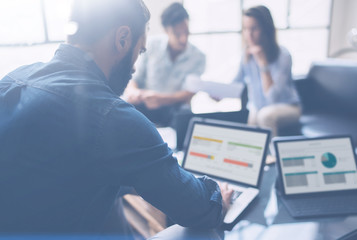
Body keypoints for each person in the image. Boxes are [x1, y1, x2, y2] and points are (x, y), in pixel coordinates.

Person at [0, 0, 232, 237]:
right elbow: (199, 209)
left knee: (109, 194)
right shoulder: (111, 116)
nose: (133, 68)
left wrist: (146, 174)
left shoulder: (13, 79)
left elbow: (60, 169)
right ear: (122, 39)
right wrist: (217, 200)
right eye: (139, 51)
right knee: (205, 232)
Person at [125, 2, 206, 127]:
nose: (183, 39)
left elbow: (190, 92)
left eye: (186, 32)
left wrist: (161, 99)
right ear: (166, 31)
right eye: (177, 34)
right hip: (147, 105)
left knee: (185, 114)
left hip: (175, 107)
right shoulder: (151, 45)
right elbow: (136, 79)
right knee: (127, 110)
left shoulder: (198, 56)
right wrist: (134, 92)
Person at [233, 5, 301, 137]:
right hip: (258, 107)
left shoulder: (283, 55)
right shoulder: (246, 55)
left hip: (288, 107)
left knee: (264, 115)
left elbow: (272, 97)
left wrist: (262, 63)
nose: (249, 34)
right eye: (246, 29)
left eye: (254, 29)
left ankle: (271, 156)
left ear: (266, 29)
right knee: (253, 117)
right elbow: (237, 83)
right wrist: (218, 95)